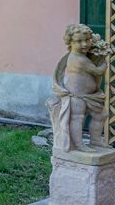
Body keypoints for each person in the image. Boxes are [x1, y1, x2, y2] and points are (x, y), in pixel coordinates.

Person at [47, 24, 110, 154]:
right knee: (78, 119)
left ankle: (96, 140)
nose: (84, 44)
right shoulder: (78, 59)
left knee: (101, 115)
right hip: (77, 96)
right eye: (79, 41)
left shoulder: (84, 56)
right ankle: (79, 144)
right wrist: (104, 61)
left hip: (90, 96)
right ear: (70, 42)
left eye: (87, 40)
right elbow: (98, 71)